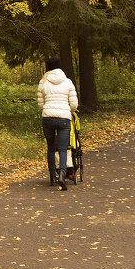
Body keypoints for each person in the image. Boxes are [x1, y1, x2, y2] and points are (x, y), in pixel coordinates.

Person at [38, 57, 79, 190]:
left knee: (51, 148)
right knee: (62, 149)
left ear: (48, 67)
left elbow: (41, 104)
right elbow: (74, 103)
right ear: (60, 67)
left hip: (48, 118)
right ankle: (62, 173)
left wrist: (47, 110)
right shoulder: (67, 82)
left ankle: (52, 177)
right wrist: (69, 111)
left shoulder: (43, 82)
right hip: (63, 119)